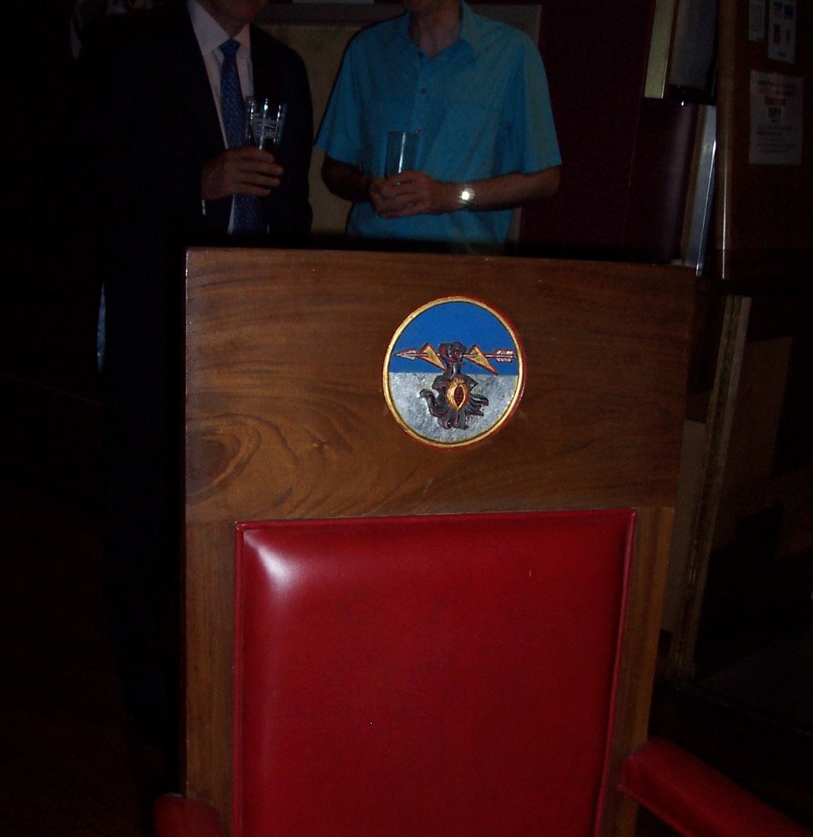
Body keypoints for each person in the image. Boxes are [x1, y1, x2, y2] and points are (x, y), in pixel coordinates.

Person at [71, 0, 313, 752]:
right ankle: (153, 715)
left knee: (238, 511)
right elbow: (86, 182)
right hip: (155, 325)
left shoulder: (285, 68)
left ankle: (228, 697)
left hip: (250, 330)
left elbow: (295, 206)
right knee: (144, 523)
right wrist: (195, 183)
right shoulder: (128, 52)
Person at [316, 0, 559, 254]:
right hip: (370, 257)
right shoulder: (366, 49)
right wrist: (368, 188)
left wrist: (451, 196)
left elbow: (545, 180)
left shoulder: (511, 52)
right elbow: (335, 170)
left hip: (460, 263)